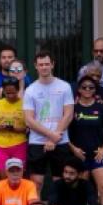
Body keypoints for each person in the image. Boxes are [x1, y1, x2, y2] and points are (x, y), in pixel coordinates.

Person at [23, 50, 75, 190]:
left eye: (47, 64)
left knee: (60, 182)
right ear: (36, 66)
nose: (44, 67)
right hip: (37, 141)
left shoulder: (64, 86)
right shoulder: (31, 90)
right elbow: (29, 119)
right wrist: (50, 135)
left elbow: (69, 114)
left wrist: (54, 137)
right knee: (36, 182)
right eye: (41, 64)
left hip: (60, 140)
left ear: (52, 64)